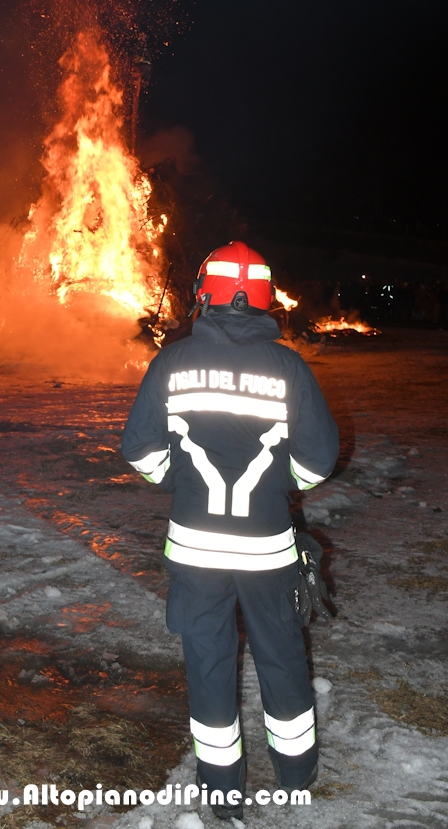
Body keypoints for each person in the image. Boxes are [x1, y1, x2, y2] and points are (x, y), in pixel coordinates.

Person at [121, 241, 339, 811]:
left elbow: (139, 448)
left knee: (209, 659)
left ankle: (221, 790)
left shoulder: (172, 361)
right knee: (281, 652)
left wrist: (177, 479)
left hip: (196, 551)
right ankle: (296, 776)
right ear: (265, 299)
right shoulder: (288, 367)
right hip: (267, 549)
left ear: (204, 295)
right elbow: (317, 460)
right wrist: (279, 487)